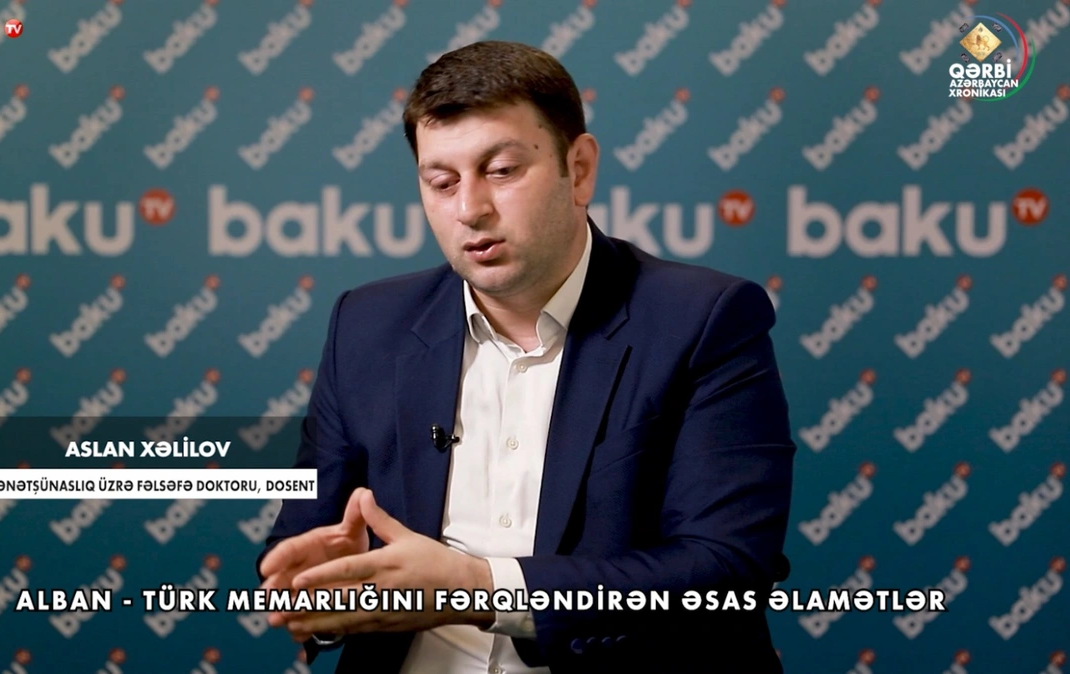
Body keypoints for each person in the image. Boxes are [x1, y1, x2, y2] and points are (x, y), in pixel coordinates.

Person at [256, 40, 795, 673]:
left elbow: (726, 569)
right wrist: (325, 590)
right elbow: (304, 544)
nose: (470, 209)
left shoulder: (704, 320)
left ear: (579, 169)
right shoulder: (366, 325)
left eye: (502, 171)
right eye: (442, 182)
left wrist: (480, 588)